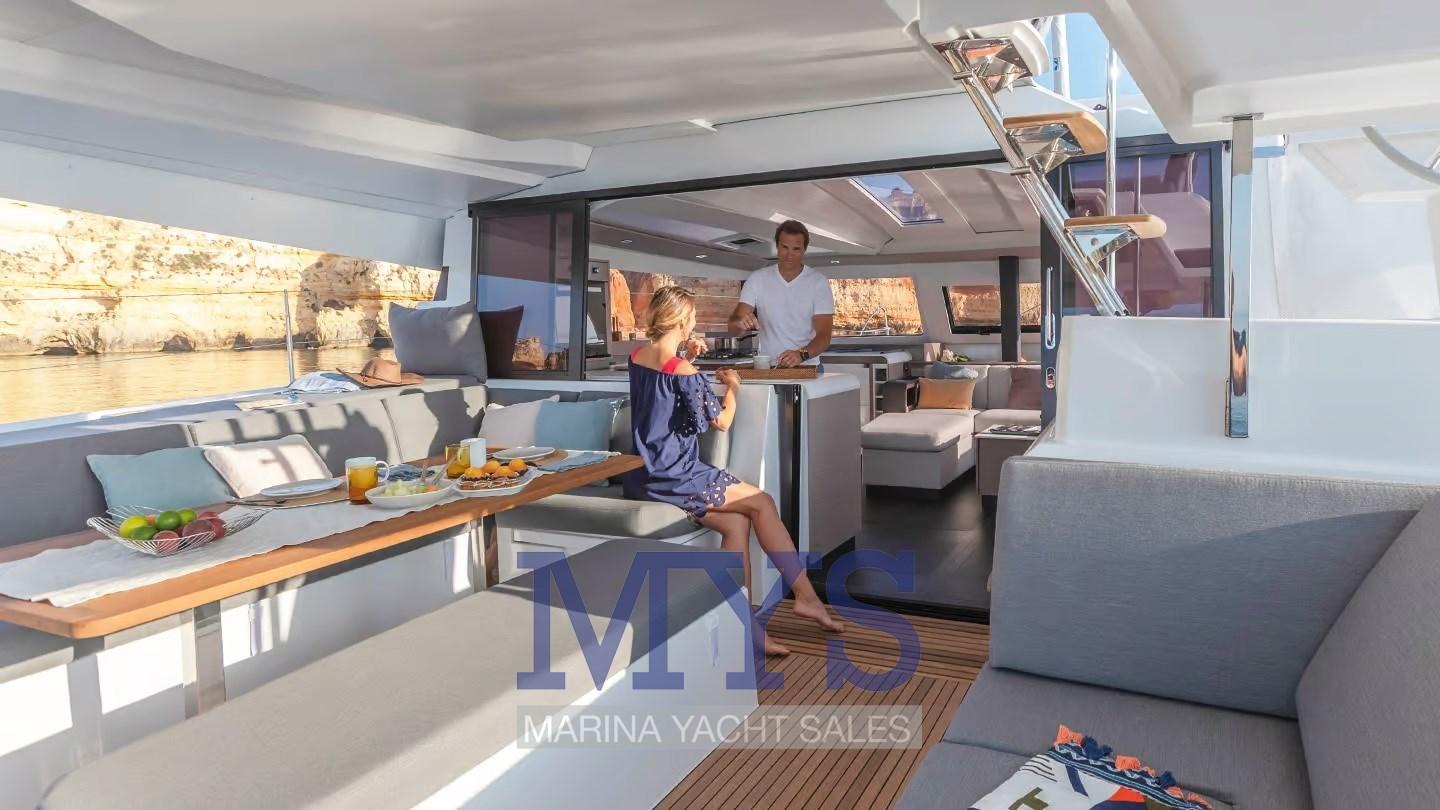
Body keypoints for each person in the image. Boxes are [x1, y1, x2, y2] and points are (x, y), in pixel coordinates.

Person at [624, 286, 843, 656]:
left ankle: (746, 627)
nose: (694, 322)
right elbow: (722, 421)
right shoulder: (683, 371)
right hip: (676, 474)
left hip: (643, 473)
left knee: (736, 524)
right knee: (763, 502)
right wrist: (734, 387)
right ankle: (806, 597)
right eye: (692, 318)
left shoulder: (637, 357)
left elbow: (662, 387)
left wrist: (687, 355)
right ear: (682, 321)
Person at [728, 219, 834, 369]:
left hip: (808, 367)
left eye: (796, 249)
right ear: (777, 246)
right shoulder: (757, 279)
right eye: (785, 247)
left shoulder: (818, 282)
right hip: (769, 368)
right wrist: (740, 324)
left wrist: (801, 355)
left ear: (804, 250)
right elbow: (733, 327)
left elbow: (824, 336)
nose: (789, 254)